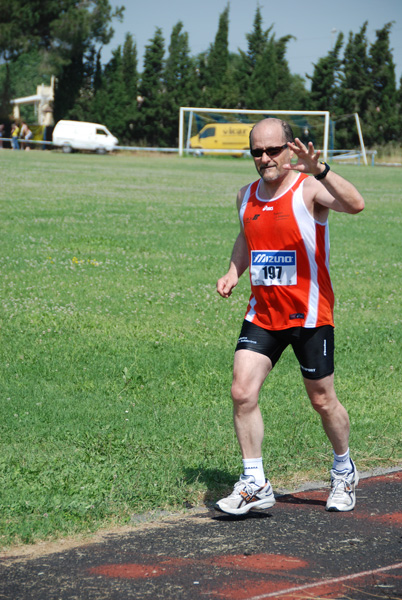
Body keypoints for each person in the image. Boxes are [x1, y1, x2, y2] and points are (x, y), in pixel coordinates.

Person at [215, 118, 365, 516]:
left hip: (310, 314)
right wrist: (234, 270)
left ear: (289, 148)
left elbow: (355, 205)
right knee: (242, 391)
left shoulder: (309, 186)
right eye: (256, 152)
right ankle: (254, 482)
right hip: (263, 314)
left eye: (272, 150)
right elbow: (247, 236)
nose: (265, 158)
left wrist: (323, 170)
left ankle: (344, 468)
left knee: (322, 400)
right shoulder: (245, 196)